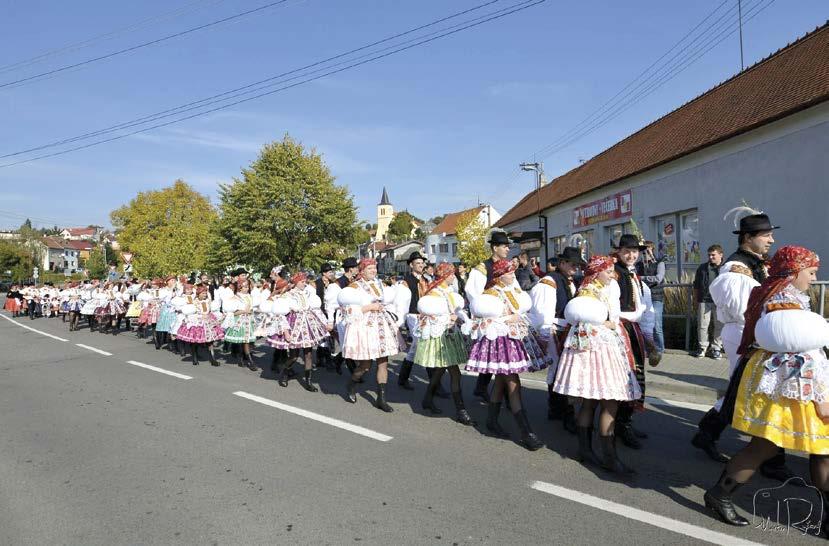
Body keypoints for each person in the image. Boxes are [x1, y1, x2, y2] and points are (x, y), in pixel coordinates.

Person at [703, 246, 829, 528]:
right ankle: (719, 495)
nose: (813, 278)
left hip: (788, 380)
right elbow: (800, 355)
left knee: (807, 447)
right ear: (794, 273)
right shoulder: (783, 302)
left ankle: (719, 494)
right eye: (810, 273)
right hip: (790, 384)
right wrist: (821, 399)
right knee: (772, 445)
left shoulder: (783, 296)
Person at [691, 211, 796, 482]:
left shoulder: (755, 263)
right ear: (749, 238)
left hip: (756, 333)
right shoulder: (737, 268)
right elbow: (742, 309)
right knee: (759, 391)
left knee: (747, 390)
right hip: (745, 334)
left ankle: (708, 433)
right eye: (766, 235)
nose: (772, 239)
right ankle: (771, 459)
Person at [552, 255, 642, 474]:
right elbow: (591, 317)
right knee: (609, 401)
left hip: (593, 347)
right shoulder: (592, 291)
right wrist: (607, 323)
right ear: (598, 271)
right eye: (609, 271)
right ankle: (609, 457)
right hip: (600, 348)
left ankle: (587, 450)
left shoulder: (589, 288)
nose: (612, 276)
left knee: (590, 402)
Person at [466, 259, 544, 450]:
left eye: (513, 272)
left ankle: (492, 420)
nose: (513, 275)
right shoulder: (491, 294)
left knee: (502, 381)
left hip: (512, 339)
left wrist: (516, 318)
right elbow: (487, 317)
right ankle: (526, 432)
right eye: (509, 273)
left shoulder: (510, 291)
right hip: (500, 342)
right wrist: (511, 318)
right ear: (500, 275)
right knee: (512, 381)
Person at [414, 262, 474, 425]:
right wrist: (450, 318)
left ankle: (427, 399)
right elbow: (431, 315)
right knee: (455, 373)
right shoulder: (434, 294)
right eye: (452, 274)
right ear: (446, 276)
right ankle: (461, 411)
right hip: (441, 337)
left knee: (441, 370)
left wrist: (460, 317)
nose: (454, 276)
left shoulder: (446, 291)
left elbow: (455, 310)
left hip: (449, 335)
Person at [339, 258, 402, 412]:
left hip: (381, 325)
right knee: (366, 365)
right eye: (369, 269)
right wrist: (369, 307)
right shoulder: (354, 287)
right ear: (362, 271)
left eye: (374, 268)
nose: (373, 271)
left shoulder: (380, 284)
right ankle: (352, 383)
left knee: (383, 361)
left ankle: (381, 398)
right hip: (365, 326)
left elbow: (389, 301)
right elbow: (347, 310)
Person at [538, 247, 585, 434]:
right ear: (562, 263)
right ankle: (563, 412)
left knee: (562, 370)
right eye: (572, 264)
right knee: (559, 370)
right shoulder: (550, 281)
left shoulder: (571, 281)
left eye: (577, 265)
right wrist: (544, 334)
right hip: (555, 330)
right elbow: (544, 312)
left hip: (567, 330)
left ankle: (557, 409)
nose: (576, 267)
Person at [464, 228, 512, 402]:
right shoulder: (482, 268)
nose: (507, 249)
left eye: (508, 246)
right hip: (489, 317)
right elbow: (472, 292)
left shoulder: (507, 267)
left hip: (504, 316)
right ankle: (502, 395)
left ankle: (484, 387)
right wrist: (484, 309)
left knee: (499, 355)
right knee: (495, 354)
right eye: (504, 246)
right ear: (494, 248)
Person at [612, 234, 650, 449]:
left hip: (631, 328)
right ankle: (619, 425)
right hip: (621, 328)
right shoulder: (615, 274)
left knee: (634, 375)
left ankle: (626, 421)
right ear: (619, 251)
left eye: (635, 251)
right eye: (627, 250)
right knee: (625, 376)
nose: (631, 254)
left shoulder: (631, 273)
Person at [398, 251, 446, 395]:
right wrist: (402, 320)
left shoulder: (426, 279)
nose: (421, 265)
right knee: (425, 345)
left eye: (422, 263)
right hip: (413, 315)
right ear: (411, 265)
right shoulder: (405, 281)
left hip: (426, 315)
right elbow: (402, 303)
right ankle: (435, 384)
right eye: (418, 263)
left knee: (414, 349)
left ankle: (402, 378)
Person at [273, 272, 330, 391]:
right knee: (294, 356)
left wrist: (324, 323)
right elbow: (281, 315)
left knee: (308, 354)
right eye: (302, 282)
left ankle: (308, 381)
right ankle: (284, 372)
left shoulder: (308, 294)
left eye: (305, 281)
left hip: (308, 325)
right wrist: (286, 332)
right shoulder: (288, 296)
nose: (305, 284)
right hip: (295, 325)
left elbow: (316, 309)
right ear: (296, 282)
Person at [325, 257, 360, 375]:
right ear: (350, 269)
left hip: (354, 316)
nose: (358, 269)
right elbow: (330, 305)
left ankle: (338, 360)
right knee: (347, 343)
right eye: (356, 267)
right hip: (342, 317)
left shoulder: (356, 282)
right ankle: (354, 372)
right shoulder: (336, 285)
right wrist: (330, 322)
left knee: (351, 343)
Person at [175, 285, 224, 366]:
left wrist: (217, 316)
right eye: (203, 293)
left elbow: (210, 310)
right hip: (197, 322)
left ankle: (212, 359)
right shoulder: (194, 302)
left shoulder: (208, 301)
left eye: (205, 293)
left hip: (208, 322)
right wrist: (200, 316)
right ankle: (194, 356)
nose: (205, 295)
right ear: (198, 293)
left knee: (210, 341)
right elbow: (191, 312)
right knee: (195, 341)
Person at [691, 244, 724, 358]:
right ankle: (702, 347)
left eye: (713, 255)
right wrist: (696, 300)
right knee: (702, 325)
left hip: (719, 302)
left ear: (720, 255)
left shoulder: (726, 268)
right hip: (704, 300)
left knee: (719, 325)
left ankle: (716, 348)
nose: (710, 257)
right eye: (709, 255)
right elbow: (696, 285)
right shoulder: (702, 268)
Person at [636, 241, 665, 359]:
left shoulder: (659, 262)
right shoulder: (639, 264)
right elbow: (633, 277)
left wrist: (641, 278)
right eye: (644, 250)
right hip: (642, 297)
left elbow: (658, 278)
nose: (646, 252)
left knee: (657, 325)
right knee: (642, 323)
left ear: (652, 249)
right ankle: (646, 348)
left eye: (648, 249)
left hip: (656, 296)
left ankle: (659, 349)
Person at [222, 280, 259, 371]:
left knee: (246, 341)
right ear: (240, 287)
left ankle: (241, 358)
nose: (247, 288)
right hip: (240, 321)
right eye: (245, 287)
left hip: (249, 320)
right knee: (245, 341)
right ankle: (250, 361)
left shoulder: (249, 296)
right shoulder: (235, 298)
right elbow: (232, 313)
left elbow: (252, 308)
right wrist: (244, 311)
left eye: (247, 286)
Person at [314, 263, 336, 370]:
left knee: (329, 336)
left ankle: (325, 358)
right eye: (329, 272)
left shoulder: (333, 283)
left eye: (332, 272)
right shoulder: (316, 283)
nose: (331, 274)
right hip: (320, 312)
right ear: (324, 273)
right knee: (323, 335)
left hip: (330, 313)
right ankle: (322, 359)